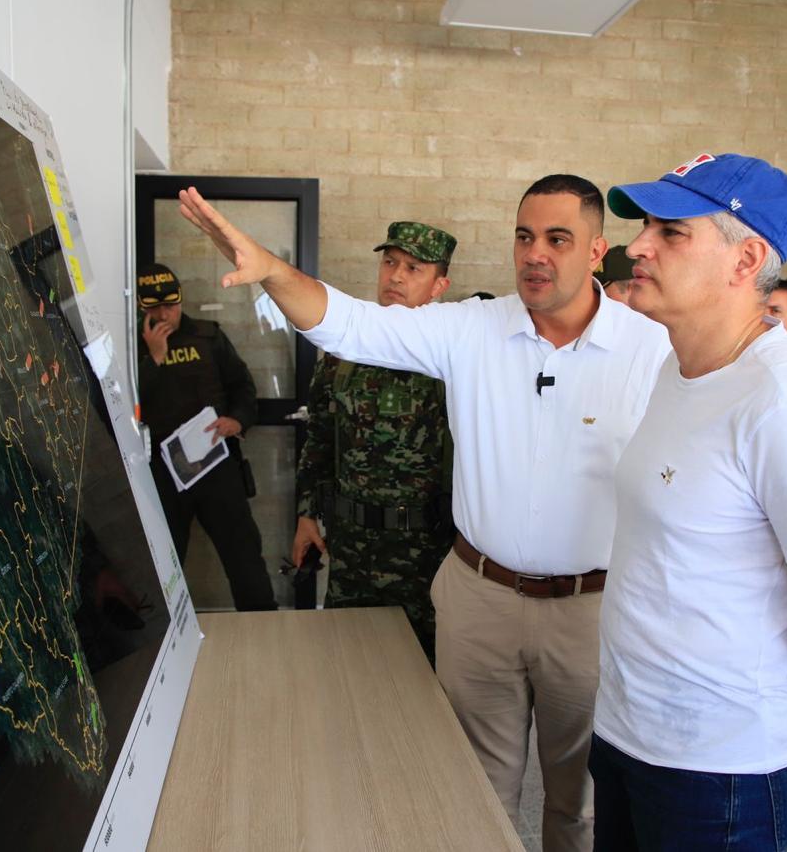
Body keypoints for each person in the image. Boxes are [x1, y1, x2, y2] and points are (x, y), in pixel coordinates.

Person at [179, 175, 671, 852]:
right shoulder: (472, 328)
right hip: (480, 600)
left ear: (595, 250)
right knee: (470, 793)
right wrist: (270, 270)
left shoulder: (651, 349)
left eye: (558, 239)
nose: (535, 253)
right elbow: (351, 323)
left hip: (588, 611)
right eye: (524, 236)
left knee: (578, 803)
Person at [591, 153, 787, 850]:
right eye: (644, 226)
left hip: (721, 772)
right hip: (631, 735)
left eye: (671, 231)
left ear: (746, 259)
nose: (637, 246)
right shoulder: (679, 368)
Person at [293, 221, 458, 661]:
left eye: (413, 268)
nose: (396, 276)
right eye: (390, 262)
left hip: (426, 553)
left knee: (424, 673)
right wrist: (306, 516)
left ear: (439, 286)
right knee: (349, 665)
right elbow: (319, 439)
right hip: (352, 549)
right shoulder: (342, 352)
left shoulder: (455, 356)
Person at [136, 262, 276, 611]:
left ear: (181, 300)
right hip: (164, 472)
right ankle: (166, 634)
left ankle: (263, 623)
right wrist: (154, 358)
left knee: (244, 556)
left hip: (215, 463)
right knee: (162, 565)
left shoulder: (208, 337)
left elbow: (242, 387)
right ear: (140, 307)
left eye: (170, 305)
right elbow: (124, 405)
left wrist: (237, 421)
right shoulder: (132, 346)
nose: (164, 314)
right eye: (155, 308)